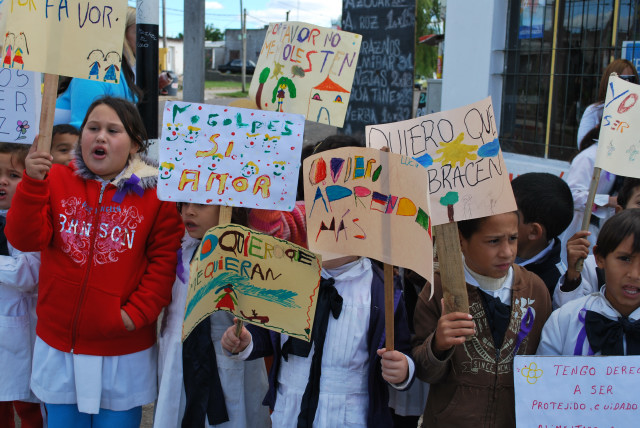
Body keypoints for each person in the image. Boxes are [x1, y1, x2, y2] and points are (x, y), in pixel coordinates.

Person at [5, 96, 184, 427]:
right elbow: (24, 239)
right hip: (59, 346)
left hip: (122, 351)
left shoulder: (156, 196)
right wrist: (31, 182)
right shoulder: (55, 179)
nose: (100, 136)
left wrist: (134, 315)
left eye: (113, 130)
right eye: (93, 128)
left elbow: (163, 263)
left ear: (135, 144)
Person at [220, 253, 415, 428]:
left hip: (350, 413)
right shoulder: (287, 276)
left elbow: (400, 348)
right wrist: (247, 342)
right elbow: (267, 331)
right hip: (290, 407)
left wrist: (402, 368)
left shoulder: (381, 290)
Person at [412, 212, 552, 427]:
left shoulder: (534, 289)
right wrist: (438, 345)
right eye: (493, 241)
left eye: (513, 238)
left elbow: (545, 366)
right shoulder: (439, 289)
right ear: (461, 240)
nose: (507, 252)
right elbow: (423, 371)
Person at [153, 203, 270, 428]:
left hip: (225, 358)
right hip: (178, 358)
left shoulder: (243, 255)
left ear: (227, 208)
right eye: (184, 204)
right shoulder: (178, 250)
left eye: (201, 205)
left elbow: (258, 314)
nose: (189, 211)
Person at [537, 208, 640, 356]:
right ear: (599, 258)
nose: (635, 275)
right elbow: (545, 370)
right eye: (625, 259)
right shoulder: (565, 320)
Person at [0, 143, 42, 428]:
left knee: (29, 406)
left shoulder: (30, 222)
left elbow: (28, 274)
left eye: (13, 175)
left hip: (23, 333)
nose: (2, 181)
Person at [553, 177, 640, 308]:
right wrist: (573, 276)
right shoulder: (590, 267)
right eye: (624, 259)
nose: (634, 274)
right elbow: (568, 313)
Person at [54, 9, 142, 129]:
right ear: (122, 33)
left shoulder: (124, 72)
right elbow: (84, 128)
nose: (145, 38)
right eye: (138, 32)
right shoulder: (98, 71)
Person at [560, 123, 618, 265]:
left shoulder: (613, 157)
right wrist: (609, 200)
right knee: (577, 266)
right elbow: (572, 194)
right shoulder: (589, 157)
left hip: (600, 226)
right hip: (581, 224)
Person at [511, 172, 573, 296]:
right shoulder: (485, 243)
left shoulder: (556, 287)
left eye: (508, 212)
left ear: (534, 231)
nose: (497, 215)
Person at [576, 59, 639, 148]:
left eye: (631, 79)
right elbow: (582, 145)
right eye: (622, 79)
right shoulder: (594, 111)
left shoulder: (637, 111)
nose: (626, 84)